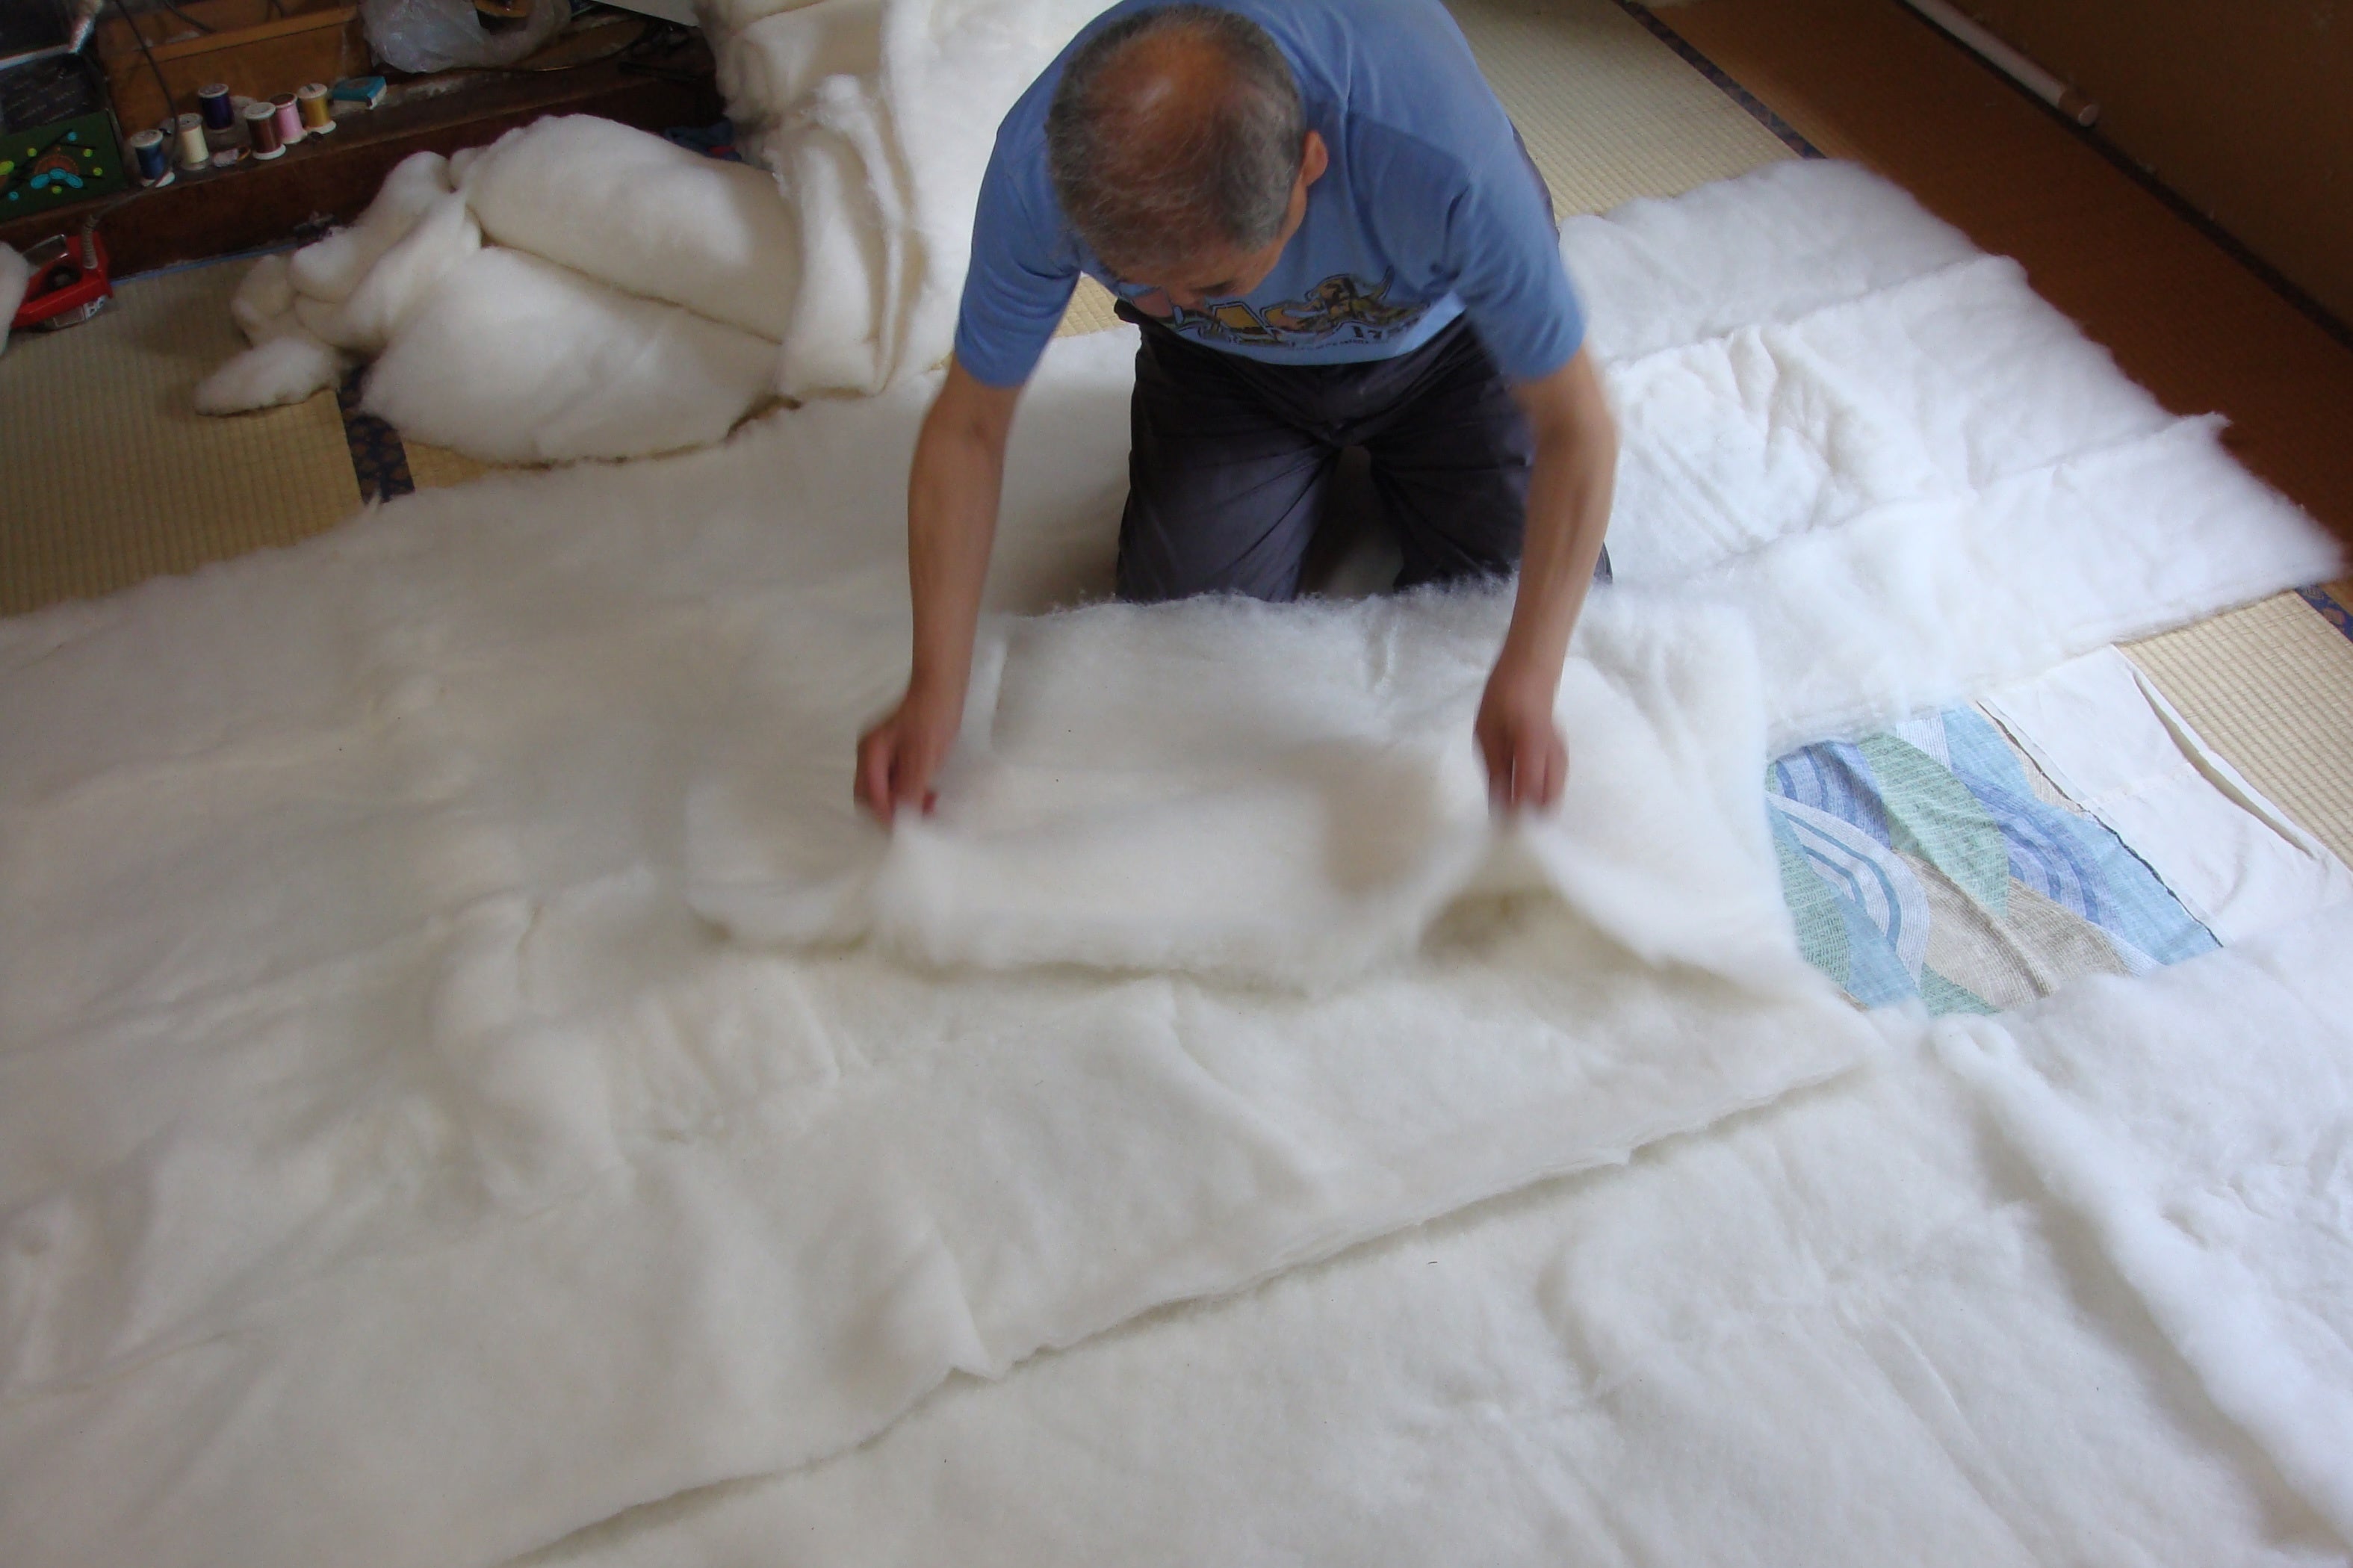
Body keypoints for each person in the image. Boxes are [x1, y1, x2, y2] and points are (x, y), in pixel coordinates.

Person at [856, 0, 1617, 822]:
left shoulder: (1445, 161)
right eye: (1137, 281)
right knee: (1181, 646)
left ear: (1310, 167)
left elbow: (1578, 427)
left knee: (1542, 620)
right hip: (1228, 373)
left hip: (1452, 351)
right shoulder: (1038, 170)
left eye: (1211, 283)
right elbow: (970, 426)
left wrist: (1530, 676)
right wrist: (935, 686)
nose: (1166, 301)